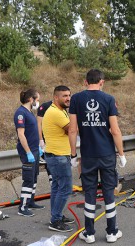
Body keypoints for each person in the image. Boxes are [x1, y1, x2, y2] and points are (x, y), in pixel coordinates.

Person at [69, 69, 127, 244]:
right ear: (101, 82)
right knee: (109, 192)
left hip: (88, 155)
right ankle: (111, 232)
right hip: (107, 154)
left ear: (86, 82)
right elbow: (115, 130)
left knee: (90, 193)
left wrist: (73, 155)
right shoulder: (108, 99)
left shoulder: (76, 99)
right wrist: (122, 154)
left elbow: (72, 130)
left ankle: (89, 233)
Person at [42, 85, 75, 232]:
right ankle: (55, 221)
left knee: (56, 187)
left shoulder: (60, 111)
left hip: (55, 155)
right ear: (56, 97)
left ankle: (57, 215)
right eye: (64, 96)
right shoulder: (56, 113)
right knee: (65, 188)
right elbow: (72, 130)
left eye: (69, 95)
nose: (68, 98)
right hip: (58, 156)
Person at [14, 89, 45, 217]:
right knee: (28, 179)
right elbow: (21, 134)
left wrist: (38, 148)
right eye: (37, 100)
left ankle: (31, 201)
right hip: (28, 151)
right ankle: (23, 207)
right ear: (31, 99)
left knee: (34, 176)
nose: (38, 102)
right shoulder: (20, 113)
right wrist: (28, 152)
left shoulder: (30, 112)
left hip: (34, 149)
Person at [37, 99, 53, 186]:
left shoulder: (62, 107)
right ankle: (52, 182)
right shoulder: (45, 106)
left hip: (56, 140)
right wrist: (41, 139)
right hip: (46, 139)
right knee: (49, 161)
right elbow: (39, 124)